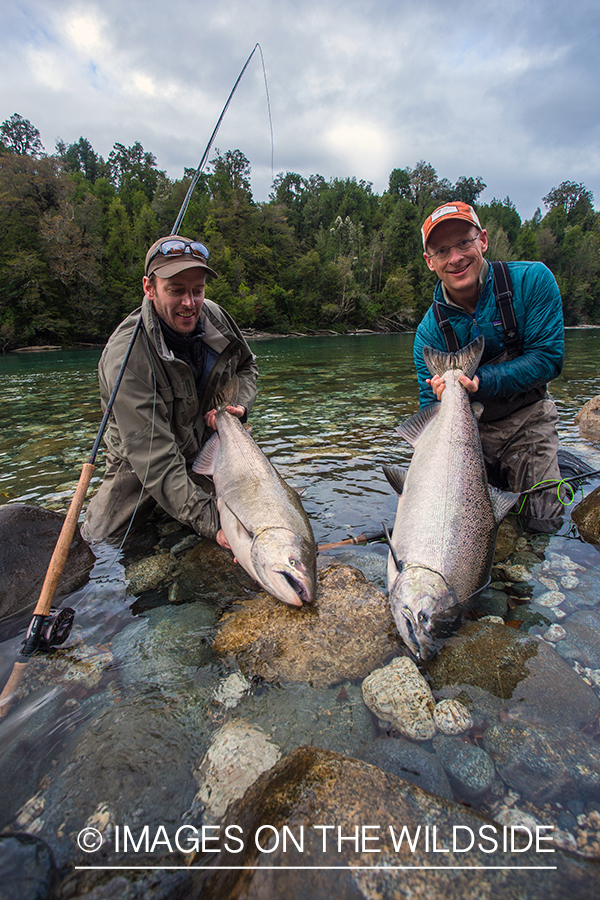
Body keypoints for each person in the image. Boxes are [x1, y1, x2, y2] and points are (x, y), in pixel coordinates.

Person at [81, 234, 258, 544]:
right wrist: (215, 523)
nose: (189, 303)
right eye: (176, 291)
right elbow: (157, 461)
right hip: (140, 468)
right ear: (149, 288)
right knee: (98, 546)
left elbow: (247, 367)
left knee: (258, 514)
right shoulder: (127, 356)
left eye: (197, 291)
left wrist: (240, 406)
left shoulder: (216, 318)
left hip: (208, 451)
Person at [413, 201, 565, 532]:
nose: (455, 257)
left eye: (464, 243)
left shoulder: (532, 281)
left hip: (529, 421)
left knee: (543, 522)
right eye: (442, 250)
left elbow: (548, 359)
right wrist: (440, 401)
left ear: (482, 240)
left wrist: (480, 381)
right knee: (459, 527)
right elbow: (428, 420)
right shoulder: (428, 334)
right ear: (430, 262)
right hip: (468, 438)